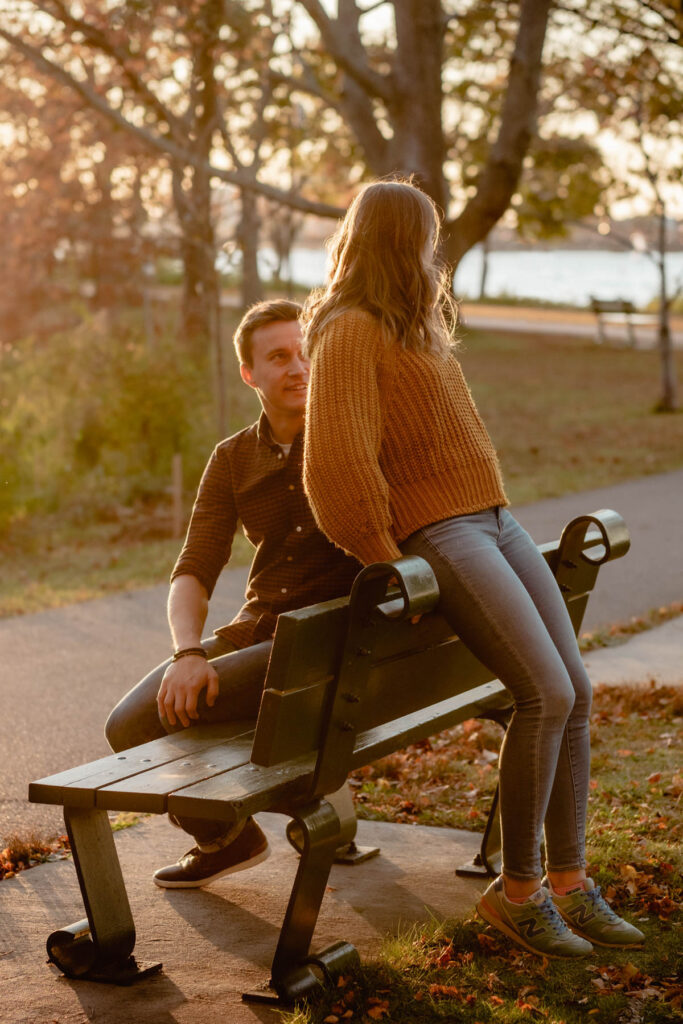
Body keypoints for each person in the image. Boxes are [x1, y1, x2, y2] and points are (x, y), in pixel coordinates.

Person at [301, 179, 645, 958]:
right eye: (426, 236)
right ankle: (517, 894)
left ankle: (569, 883)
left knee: (575, 692)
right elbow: (335, 470)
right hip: (442, 533)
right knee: (543, 693)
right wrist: (390, 563)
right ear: (399, 239)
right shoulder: (348, 330)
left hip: (493, 517)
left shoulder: (415, 325)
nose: (435, 251)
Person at [105, 299, 359, 889]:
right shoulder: (231, 458)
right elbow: (194, 566)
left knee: (189, 713)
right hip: (259, 631)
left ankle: (310, 794)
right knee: (129, 725)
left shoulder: (351, 437)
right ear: (250, 374)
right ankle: (227, 837)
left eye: (307, 353)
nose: (299, 368)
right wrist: (188, 652)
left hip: (331, 642)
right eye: (279, 357)